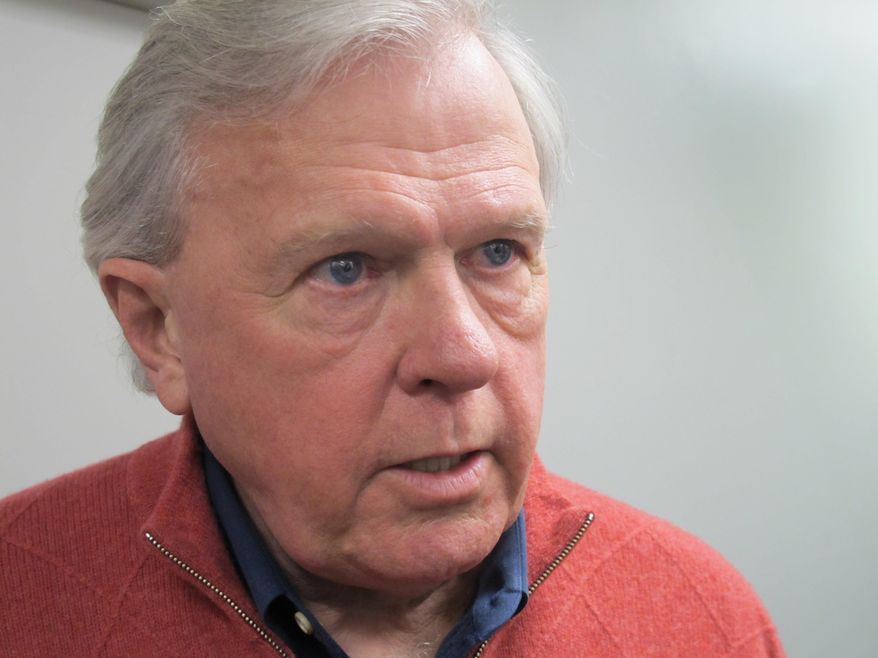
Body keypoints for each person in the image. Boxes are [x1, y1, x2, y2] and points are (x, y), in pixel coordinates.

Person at [0, 1, 786, 656]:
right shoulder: (21, 596)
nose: (465, 354)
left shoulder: (700, 618)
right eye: (346, 269)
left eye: (498, 252)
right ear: (158, 327)